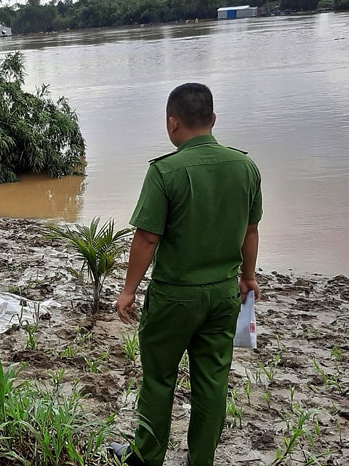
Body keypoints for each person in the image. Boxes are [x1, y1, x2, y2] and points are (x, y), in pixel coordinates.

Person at [110, 83, 263, 465]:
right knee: (212, 383)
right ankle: (201, 461)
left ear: (171, 123)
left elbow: (146, 237)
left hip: (174, 297)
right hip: (223, 295)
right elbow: (250, 229)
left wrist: (129, 290)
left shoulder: (165, 171)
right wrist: (248, 276)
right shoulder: (245, 166)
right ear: (212, 120)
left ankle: (146, 457)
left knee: (159, 379)